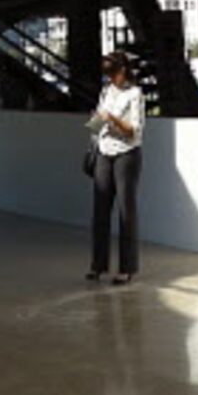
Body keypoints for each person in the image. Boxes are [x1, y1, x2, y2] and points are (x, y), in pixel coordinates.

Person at [87, 50, 146, 286]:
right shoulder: (106, 91)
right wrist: (96, 121)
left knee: (125, 211)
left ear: (123, 71)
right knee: (100, 210)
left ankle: (127, 268)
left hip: (127, 154)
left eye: (113, 73)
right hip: (104, 150)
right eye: (107, 74)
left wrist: (112, 118)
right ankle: (97, 265)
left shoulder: (135, 94)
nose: (110, 78)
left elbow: (134, 130)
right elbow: (97, 124)